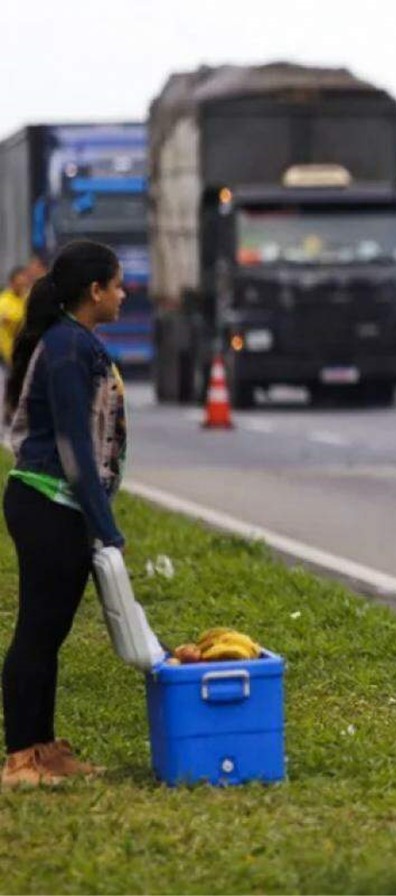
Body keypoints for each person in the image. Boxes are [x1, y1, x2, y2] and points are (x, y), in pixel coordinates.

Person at [2, 240, 128, 789]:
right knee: (35, 630)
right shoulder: (68, 349)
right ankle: (19, 758)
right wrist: (106, 528)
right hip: (46, 501)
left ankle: (43, 748)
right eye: (118, 285)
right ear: (94, 291)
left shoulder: (77, 342)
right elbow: (76, 447)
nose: (125, 294)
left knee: (49, 633)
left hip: (61, 503)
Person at [0, 265, 31, 369]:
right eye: (19, 283)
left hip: (24, 355)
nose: (22, 286)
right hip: (7, 356)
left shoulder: (27, 299)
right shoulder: (4, 302)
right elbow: (13, 321)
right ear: (12, 282)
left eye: (24, 284)